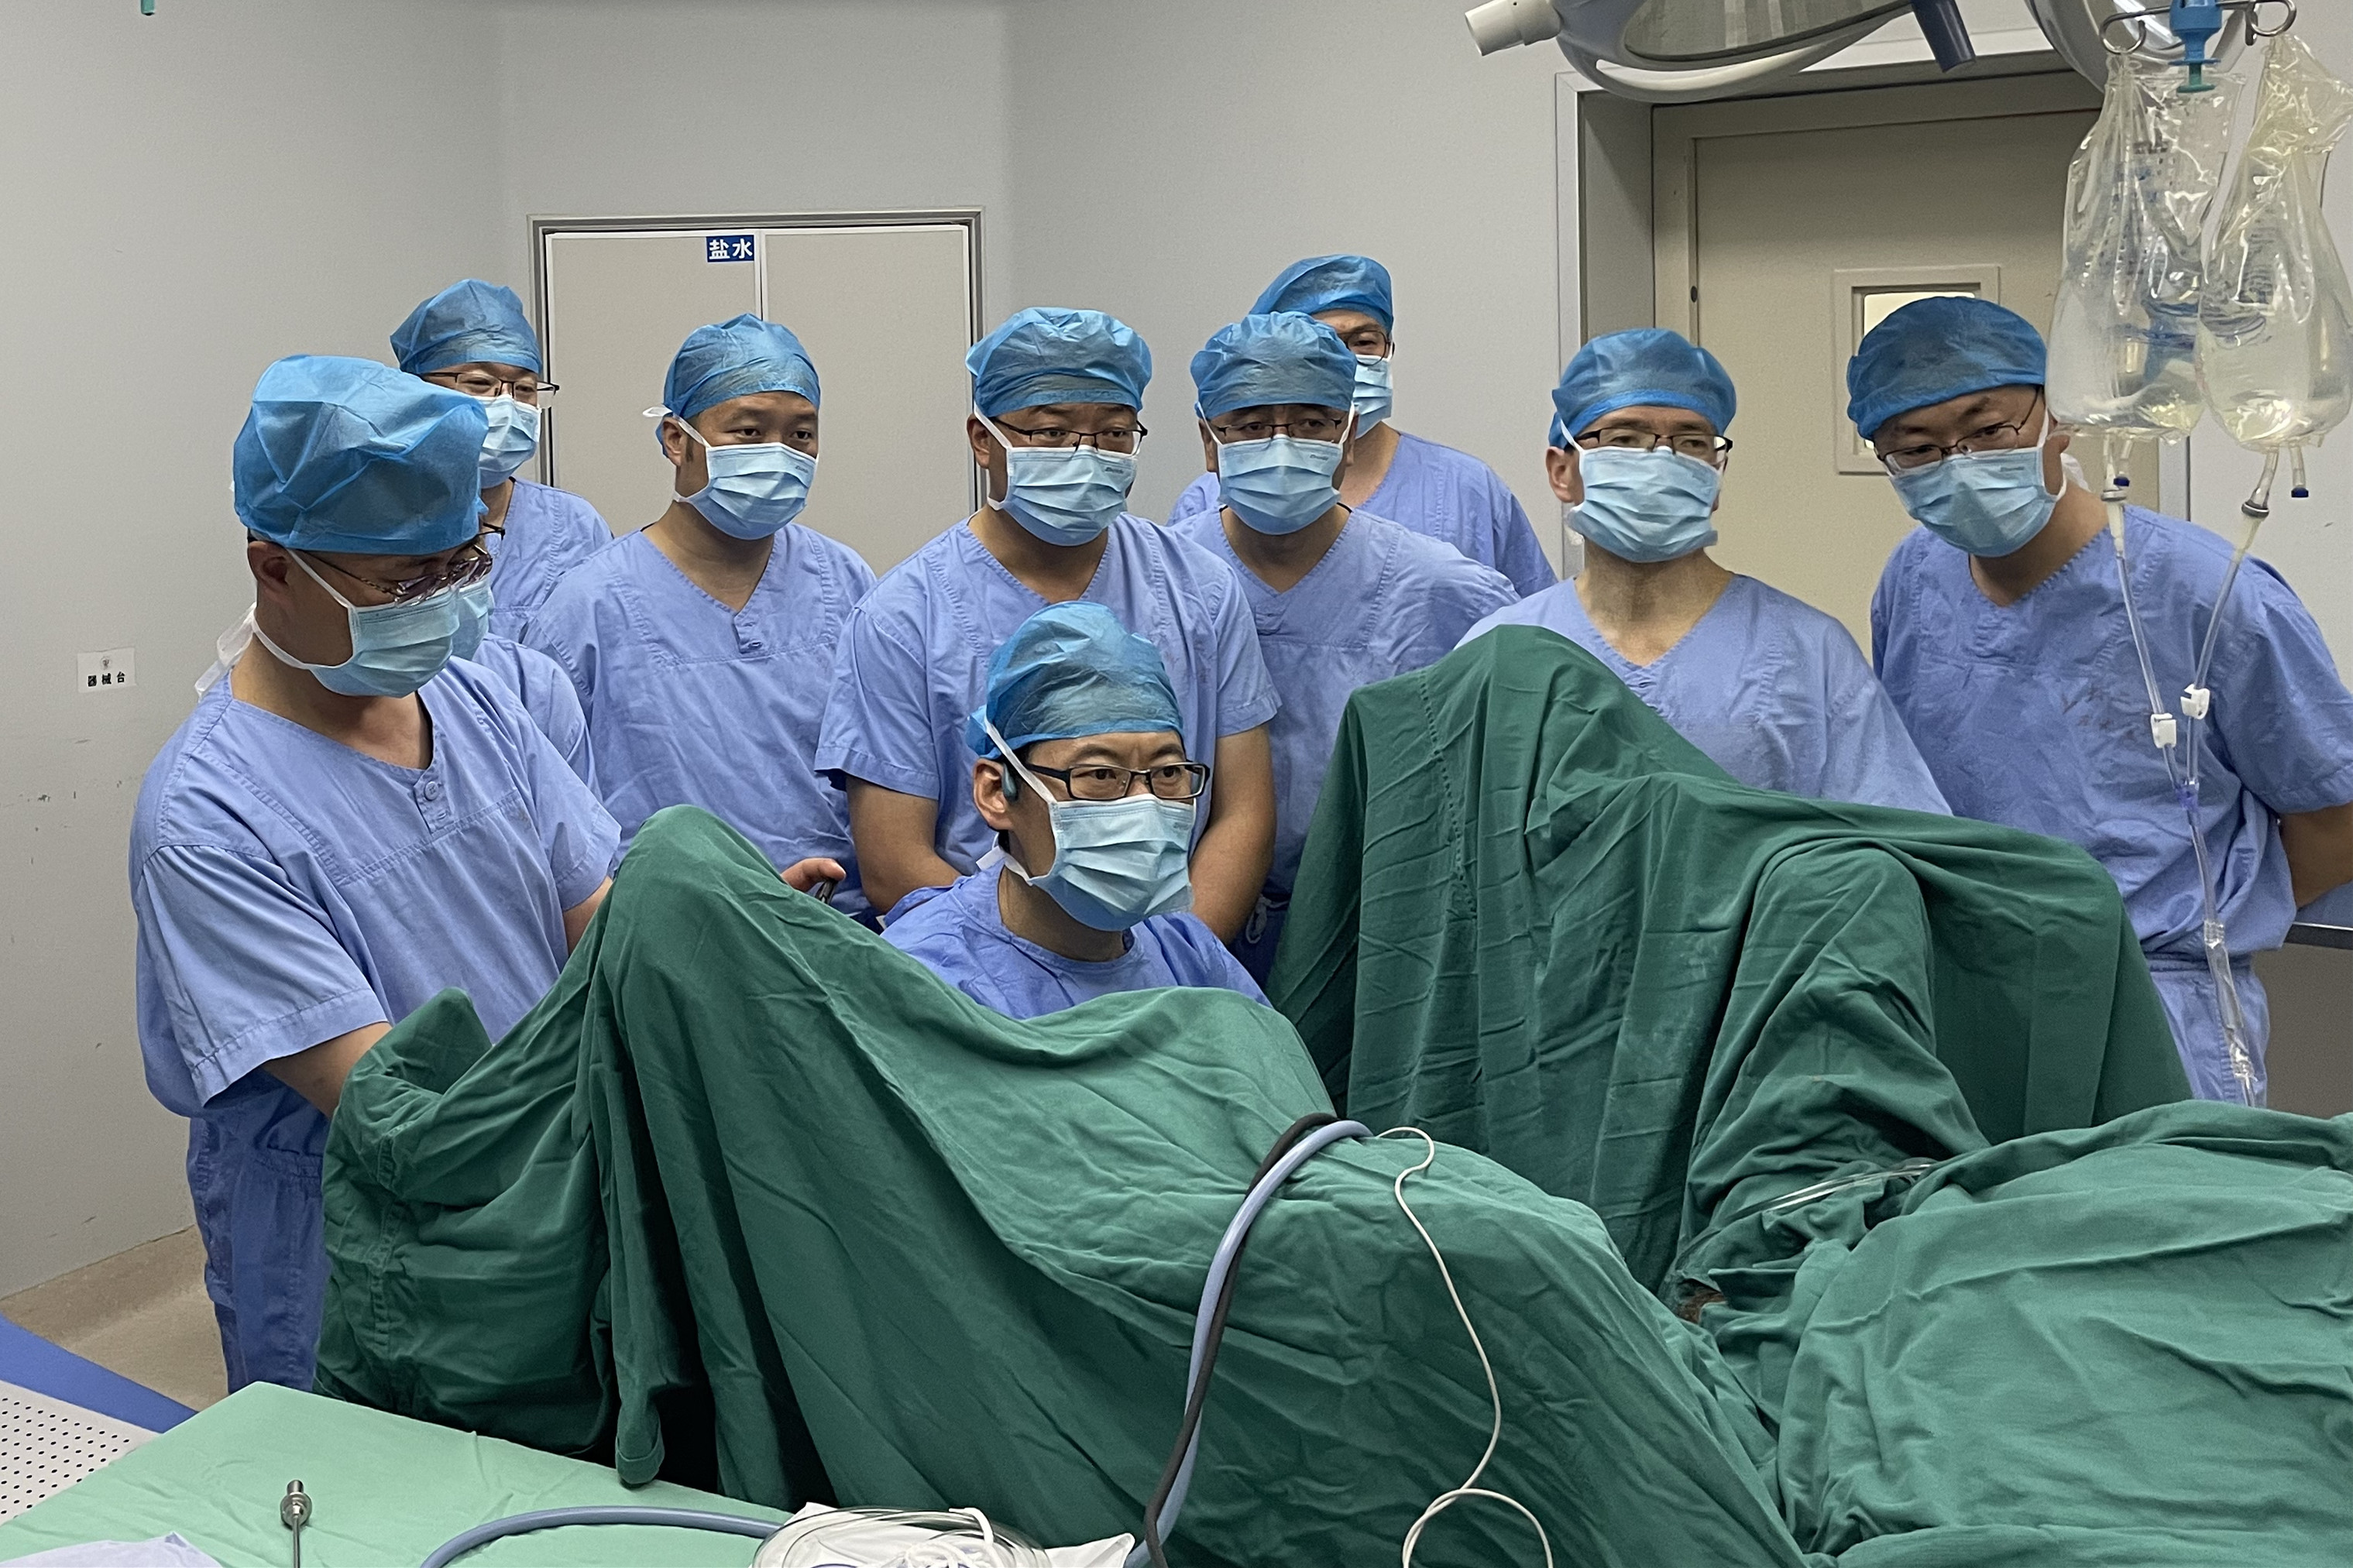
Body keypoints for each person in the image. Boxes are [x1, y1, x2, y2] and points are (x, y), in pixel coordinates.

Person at [130, 356, 628, 1392]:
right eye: (406, 583)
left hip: (537, 1184)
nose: (441, 605)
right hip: (351, 1239)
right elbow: (387, 1101)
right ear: (272, 566)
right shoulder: (208, 817)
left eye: (463, 564)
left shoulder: (476, 702)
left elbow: (602, 924)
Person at [1855, 296, 2353, 1102]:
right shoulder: (1912, 581)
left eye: (1989, 429)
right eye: (1918, 449)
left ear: (2056, 414)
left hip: (2157, 1009)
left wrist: (2192, 926)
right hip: (1962, 1002)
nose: (1960, 463)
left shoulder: (2205, 592)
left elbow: (2335, 819)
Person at [816, 307, 1279, 935]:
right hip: (978, 964)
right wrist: (1019, 966)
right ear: (984, 439)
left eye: (1114, 433)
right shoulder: (902, 617)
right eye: (1051, 432)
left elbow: (1243, 813)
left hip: (1171, 946)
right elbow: (896, 859)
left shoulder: (1200, 588)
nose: (1085, 454)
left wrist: (1172, 955)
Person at [1462, 329, 1948, 817]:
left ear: (1715, 476)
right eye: (1624, 439)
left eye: (1691, 442)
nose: (1661, 460)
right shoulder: (1501, 650)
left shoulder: (1809, 651)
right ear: (1562, 472)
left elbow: (1889, 831)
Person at [1173, 312, 1518, 977]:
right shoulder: (1165, 580)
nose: (1282, 445)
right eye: (1250, 424)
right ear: (1209, 442)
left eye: (1312, 423)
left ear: (1349, 435)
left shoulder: (1440, 589)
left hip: (1381, 934)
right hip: (1189, 919)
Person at [525, 315, 871, 894]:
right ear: (676, 439)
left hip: (836, 916)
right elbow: (549, 813)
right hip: (670, 926)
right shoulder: (586, 609)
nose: (778, 453)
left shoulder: (845, 581)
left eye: (801, 435)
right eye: (748, 431)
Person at [883, 603, 1265, 1018]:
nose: (1144, 803)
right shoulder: (923, 980)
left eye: (1168, 772)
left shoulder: (1185, 952)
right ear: (996, 792)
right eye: (1100, 775)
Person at [1166, 254, 1556, 597]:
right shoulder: (1207, 503)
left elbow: (1529, 629)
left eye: (1364, 342)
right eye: (1322, 343)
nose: (1346, 362)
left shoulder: (1465, 489)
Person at [391, 280, 611, 641]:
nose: (508, 405)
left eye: (525, 389)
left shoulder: (573, 525)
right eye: (480, 383)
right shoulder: (372, 522)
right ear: (417, 390)